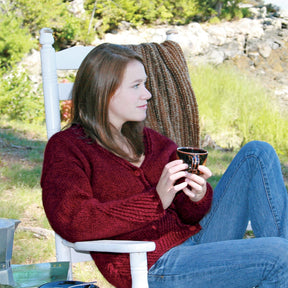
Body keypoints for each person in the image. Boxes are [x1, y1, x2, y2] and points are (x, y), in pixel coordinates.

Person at [41, 43, 288, 288]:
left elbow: (190, 214)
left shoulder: (152, 141)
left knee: (257, 153)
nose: (147, 94)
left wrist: (197, 195)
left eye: (145, 84)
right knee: (279, 254)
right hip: (152, 264)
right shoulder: (67, 148)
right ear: (104, 92)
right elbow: (73, 220)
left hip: (194, 240)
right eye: (136, 86)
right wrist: (155, 200)